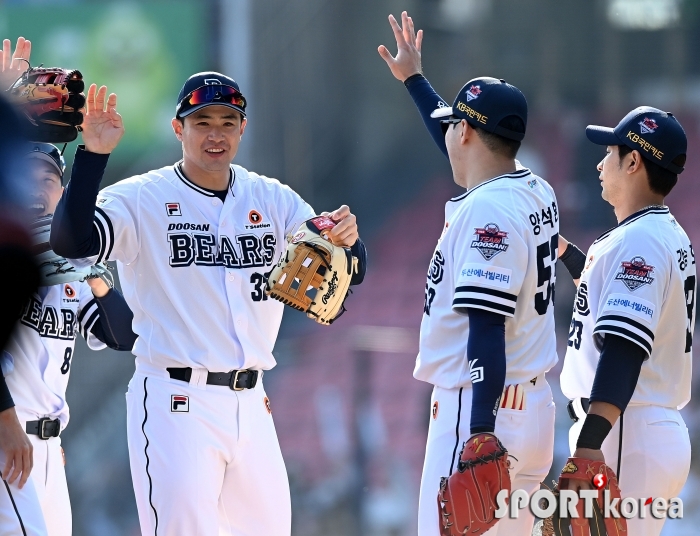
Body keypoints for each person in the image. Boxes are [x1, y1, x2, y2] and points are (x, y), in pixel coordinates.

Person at [50, 72, 367, 535]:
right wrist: (93, 156)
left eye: (227, 121)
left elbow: (347, 264)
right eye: (202, 122)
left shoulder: (273, 199)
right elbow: (71, 241)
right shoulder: (142, 197)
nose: (215, 134)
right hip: (178, 400)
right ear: (179, 129)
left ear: (242, 129)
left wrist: (351, 242)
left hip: (254, 402)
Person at [379, 12, 558, 535]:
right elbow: (466, 150)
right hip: (532, 410)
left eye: (455, 123)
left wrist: (480, 430)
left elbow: (486, 325)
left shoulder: (487, 212)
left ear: (468, 133)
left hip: (482, 410)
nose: (448, 130)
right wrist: (415, 80)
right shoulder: (532, 186)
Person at [556, 107, 694, 536]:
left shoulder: (639, 240)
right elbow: (608, 297)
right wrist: (566, 254)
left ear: (634, 161)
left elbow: (624, 350)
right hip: (645, 429)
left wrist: (589, 444)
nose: (599, 163)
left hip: (625, 431)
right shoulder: (660, 233)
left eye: (611, 152)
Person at [0, 141, 137, 536]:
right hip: (8, 432)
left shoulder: (73, 273)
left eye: (49, 180)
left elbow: (125, 335)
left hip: (47, 447)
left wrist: (96, 278)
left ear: (62, 194)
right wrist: (5, 424)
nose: (38, 188)